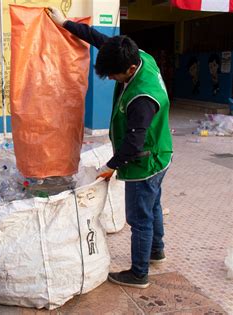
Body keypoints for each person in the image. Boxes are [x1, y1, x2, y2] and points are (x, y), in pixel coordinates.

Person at [48, 8, 173, 289]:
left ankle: (139, 273)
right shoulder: (134, 54)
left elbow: (133, 143)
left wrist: (110, 167)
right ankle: (157, 251)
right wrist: (65, 23)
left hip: (146, 160)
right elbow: (96, 38)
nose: (115, 80)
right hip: (163, 152)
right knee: (152, 205)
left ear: (129, 70)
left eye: (115, 77)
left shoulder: (143, 96)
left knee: (139, 217)